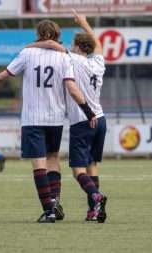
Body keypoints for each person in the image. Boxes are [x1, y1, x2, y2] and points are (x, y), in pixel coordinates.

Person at [0, 19, 104, 223]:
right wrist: (88, 110)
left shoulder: (27, 53)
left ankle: (50, 210)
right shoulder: (64, 57)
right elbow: (72, 88)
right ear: (57, 35)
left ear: (38, 34)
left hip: (33, 118)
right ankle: (55, 201)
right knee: (53, 157)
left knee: (39, 164)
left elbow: (5, 74)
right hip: (55, 117)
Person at [25, 10, 108, 222]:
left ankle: (95, 195)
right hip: (100, 119)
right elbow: (97, 44)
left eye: (73, 44)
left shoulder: (71, 59)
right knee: (92, 165)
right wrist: (84, 23)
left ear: (78, 47)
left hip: (82, 120)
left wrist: (29, 46)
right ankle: (93, 212)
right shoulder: (98, 63)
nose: (69, 46)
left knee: (77, 169)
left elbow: (52, 44)